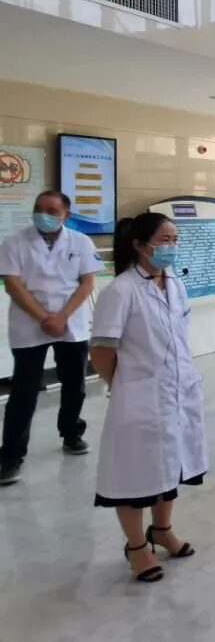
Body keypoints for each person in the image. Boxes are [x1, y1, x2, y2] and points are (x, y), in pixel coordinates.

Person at [89, 213, 206, 583]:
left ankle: (163, 530)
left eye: (175, 239)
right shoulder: (120, 290)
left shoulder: (174, 284)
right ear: (140, 245)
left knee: (169, 466)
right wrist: (125, 384)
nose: (172, 246)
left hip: (177, 390)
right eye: (164, 240)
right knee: (134, 474)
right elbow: (102, 350)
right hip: (138, 396)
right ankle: (137, 547)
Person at [0, 190, 102, 485]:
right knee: (24, 392)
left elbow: (87, 283)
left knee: (74, 384)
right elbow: (12, 285)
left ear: (65, 215)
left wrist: (62, 317)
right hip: (29, 322)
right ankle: (11, 457)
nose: (43, 215)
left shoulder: (80, 242)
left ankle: (71, 433)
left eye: (52, 211)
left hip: (70, 322)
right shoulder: (15, 243)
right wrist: (45, 318)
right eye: (39, 208)